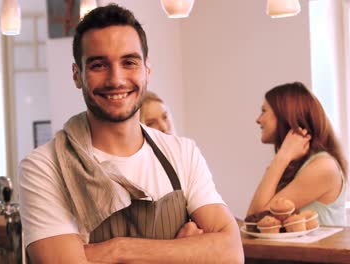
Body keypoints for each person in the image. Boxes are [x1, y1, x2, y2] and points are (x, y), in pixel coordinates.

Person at [18, 4, 243, 264]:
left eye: (129, 62)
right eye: (99, 65)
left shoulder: (182, 153)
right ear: (77, 75)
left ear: (147, 70)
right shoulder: (45, 168)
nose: (116, 79)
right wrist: (184, 253)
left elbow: (231, 252)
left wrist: (117, 250)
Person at [247, 81, 347, 226]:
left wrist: (283, 156)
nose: (258, 119)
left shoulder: (323, 167)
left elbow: (255, 219)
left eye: (264, 111)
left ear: (285, 116)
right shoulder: (295, 164)